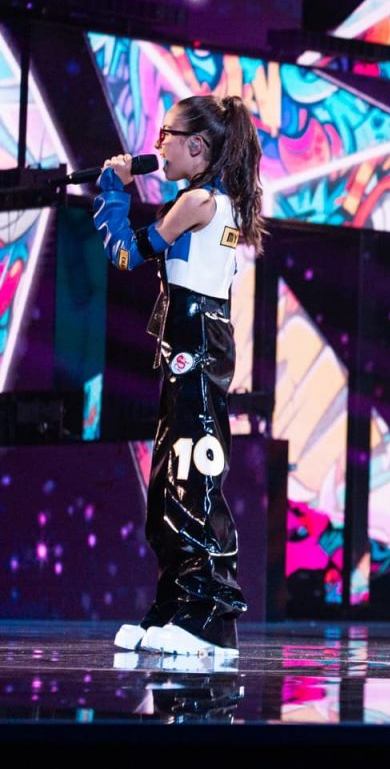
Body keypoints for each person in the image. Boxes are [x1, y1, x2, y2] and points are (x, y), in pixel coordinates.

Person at [94, 94, 265, 657]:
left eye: (166, 134)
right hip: (194, 340)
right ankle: (175, 606)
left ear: (197, 146)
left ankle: (208, 616)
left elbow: (127, 254)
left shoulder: (198, 202)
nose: (157, 145)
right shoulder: (214, 200)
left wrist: (114, 191)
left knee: (191, 476)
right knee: (171, 477)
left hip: (196, 342)